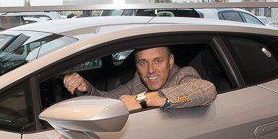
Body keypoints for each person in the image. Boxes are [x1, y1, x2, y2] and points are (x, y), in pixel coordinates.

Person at [62, 46, 216, 110]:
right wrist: (87, 89)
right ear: (136, 66)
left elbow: (207, 90)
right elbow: (109, 99)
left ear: (170, 61)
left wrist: (141, 100)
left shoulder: (182, 75)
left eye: (157, 61)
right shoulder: (138, 81)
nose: (150, 70)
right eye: (143, 63)